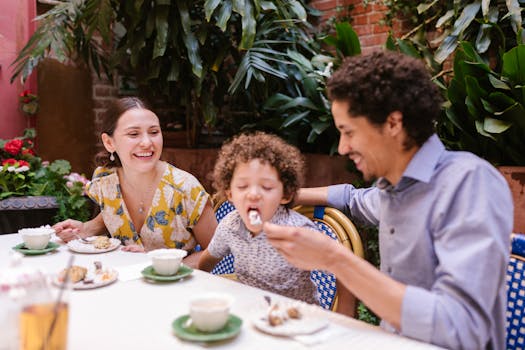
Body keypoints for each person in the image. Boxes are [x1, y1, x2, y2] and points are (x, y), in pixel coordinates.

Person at [264, 50, 513, 350]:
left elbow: (460, 327)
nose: (342, 147)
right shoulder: (392, 190)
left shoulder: (468, 184)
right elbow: (353, 199)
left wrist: (333, 258)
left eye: (348, 132)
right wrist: (284, 195)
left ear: (393, 123)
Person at [53, 97, 217, 267]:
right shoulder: (105, 181)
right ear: (109, 142)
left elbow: (216, 251)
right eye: (133, 134)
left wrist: (164, 265)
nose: (147, 142)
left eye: (154, 132)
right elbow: (114, 214)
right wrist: (84, 229)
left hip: (179, 288)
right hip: (124, 285)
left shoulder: (185, 188)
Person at [198, 132, 321, 304]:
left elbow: (342, 269)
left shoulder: (298, 231)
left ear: (285, 195)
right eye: (242, 186)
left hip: (297, 319)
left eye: (267, 187)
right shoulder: (230, 226)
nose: (253, 194)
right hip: (251, 313)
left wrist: (344, 316)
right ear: (230, 194)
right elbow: (206, 262)